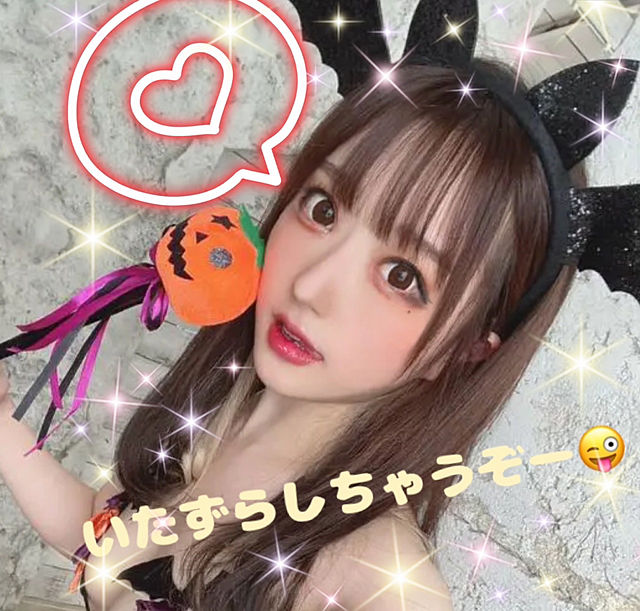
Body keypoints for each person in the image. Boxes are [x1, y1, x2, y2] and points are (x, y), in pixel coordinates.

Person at [0, 58, 586, 610]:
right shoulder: (221, 418)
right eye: (323, 210)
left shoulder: (374, 572)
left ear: (464, 350)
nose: (310, 285)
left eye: (402, 276)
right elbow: (104, 545)